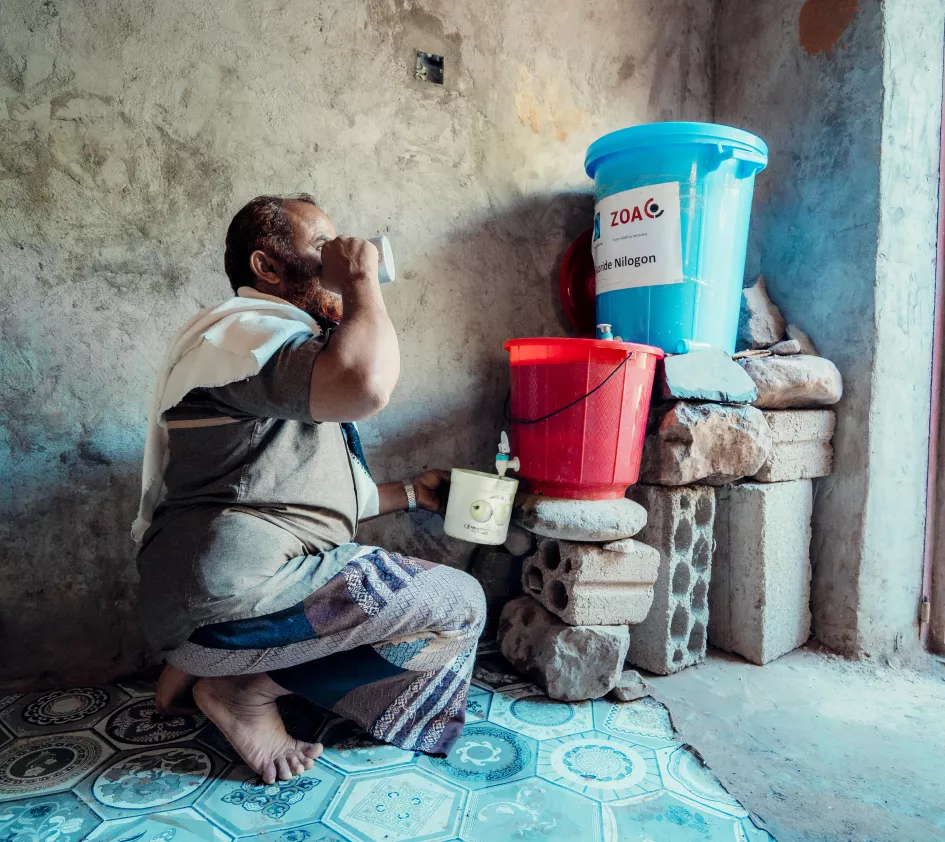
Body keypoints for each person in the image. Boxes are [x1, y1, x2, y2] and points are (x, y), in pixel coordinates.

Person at [134, 193, 486, 785]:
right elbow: (365, 384)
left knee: (390, 597)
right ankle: (240, 689)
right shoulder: (243, 337)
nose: (337, 255)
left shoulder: (275, 352)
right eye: (321, 245)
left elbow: (302, 495)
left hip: (210, 597)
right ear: (267, 268)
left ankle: (201, 664)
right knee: (459, 603)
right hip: (232, 591)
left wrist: (412, 493)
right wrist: (361, 280)